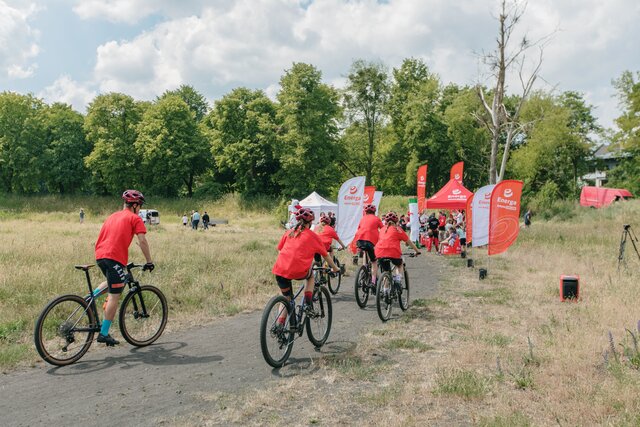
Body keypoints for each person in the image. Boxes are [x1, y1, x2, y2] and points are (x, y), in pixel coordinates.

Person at [93, 190, 154, 346]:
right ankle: (104, 333)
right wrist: (149, 261)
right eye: (139, 205)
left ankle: (90, 298)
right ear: (134, 205)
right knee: (115, 295)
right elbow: (142, 241)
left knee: (113, 282)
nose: (139, 209)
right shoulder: (135, 218)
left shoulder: (112, 216)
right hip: (114, 257)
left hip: (100, 255)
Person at [272, 208, 340, 324]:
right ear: (311, 222)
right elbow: (326, 256)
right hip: (298, 271)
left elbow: (280, 250)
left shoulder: (289, 232)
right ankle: (308, 304)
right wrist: (335, 268)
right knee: (311, 276)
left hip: (280, 270)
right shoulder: (313, 236)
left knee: (287, 299)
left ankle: (279, 326)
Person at [375, 211, 421, 289]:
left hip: (379, 252)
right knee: (399, 264)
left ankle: (385, 291)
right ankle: (398, 280)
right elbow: (409, 242)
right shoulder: (398, 229)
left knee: (386, 272)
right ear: (396, 221)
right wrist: (417, 251)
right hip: (393, 252)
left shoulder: (382, 229)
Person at [354, 204, 383, 286]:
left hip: (359, 240)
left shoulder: (362, 219)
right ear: (374, 212)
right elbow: (383, 229)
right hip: (370, 242)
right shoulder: (377, 219)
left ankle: (364, 268)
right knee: (374, 261)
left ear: (365, 212)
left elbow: (359, 229)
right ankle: (373, 281)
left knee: (365, 251)